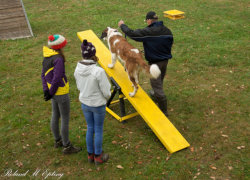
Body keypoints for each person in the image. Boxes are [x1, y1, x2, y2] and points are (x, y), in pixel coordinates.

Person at [118, 11, 173, 117]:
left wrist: (122, 25)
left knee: (157, 86)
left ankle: (164, 112)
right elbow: (170, 42)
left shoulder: (149, 31)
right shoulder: (167, 30)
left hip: (154, 63)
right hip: (165, 60)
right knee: (160, 78)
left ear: (149, 20)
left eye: (146, 20)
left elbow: (132, 34)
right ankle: (155, 94)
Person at [41, 34, 82, 154]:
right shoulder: (58, 59)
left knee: (55, 115)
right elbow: (57, 78)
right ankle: (67, 146)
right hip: (61, 92)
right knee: (64, 118)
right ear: (60, 46)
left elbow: (43, 75)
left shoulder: (47, 56)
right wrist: (52, 91)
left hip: (52, 92)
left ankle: (57, 140)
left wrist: (47, 91)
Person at [74, 39, 111, 165]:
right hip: (98, 104)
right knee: (98, 129)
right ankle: (98, 157)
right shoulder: (98, 71)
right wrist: (106, 98)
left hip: (85, 103)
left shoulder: (77, 69)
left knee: (90, 127)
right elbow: (106, 91)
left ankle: (90, 156)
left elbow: (79, 87)